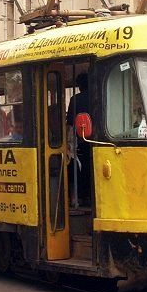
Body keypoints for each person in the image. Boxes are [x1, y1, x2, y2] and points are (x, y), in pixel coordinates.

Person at [66, 72, 91, 207]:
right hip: (98, 141)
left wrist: (69, 143)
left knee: (80, 169)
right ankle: (89, 196)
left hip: (81, 141)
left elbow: (70, 123)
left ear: (79, 86)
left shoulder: (75, 100)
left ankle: (80, 197)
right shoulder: (97, 96)